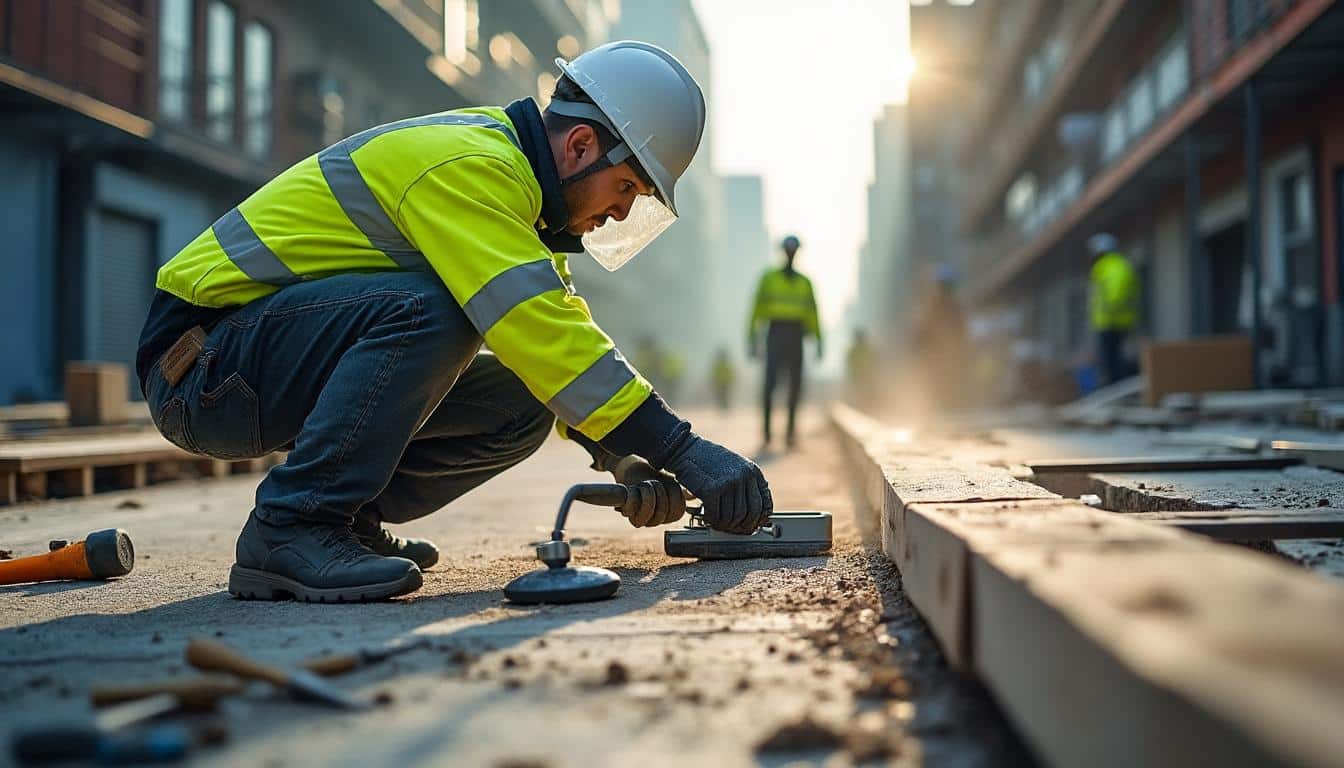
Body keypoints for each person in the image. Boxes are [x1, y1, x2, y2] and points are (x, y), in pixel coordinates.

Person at [136, 41, 772, 603]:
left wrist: (624, 458)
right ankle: (295, 524)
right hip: (202, 367)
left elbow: (554, 350)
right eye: (627, 188)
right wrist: (685, 451)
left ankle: (344, 518)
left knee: (524, 399)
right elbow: (540, 330)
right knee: (435, 310)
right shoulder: (470, 169)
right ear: (580, 146)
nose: (618, 213)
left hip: (254, 358)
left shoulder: (521, 204)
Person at [748, 235, 821, 448]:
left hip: (796, 335)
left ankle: (790, 431)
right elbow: (756, 310)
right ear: (783, 252)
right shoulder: (768, 279)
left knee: (795, 385)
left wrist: (819, 340)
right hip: (775, 333)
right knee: (770, 384)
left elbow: (813, 313)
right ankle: (768, 432)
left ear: (797, 253)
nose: (791, 254)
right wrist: (752, 337)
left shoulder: (805, 283)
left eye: (794, 250)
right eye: (788, 250)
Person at [910, 263, 969, 412]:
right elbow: (923, 329)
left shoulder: (949, 306)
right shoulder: (934, 305)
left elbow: (959, 329)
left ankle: (945, 406)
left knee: (945, 380)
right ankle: (937, 407)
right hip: (935, 354)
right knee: (935, 381)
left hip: (945, 354)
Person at [1087, 233, 1139, 385]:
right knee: (1116, 358)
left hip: (1109, 322)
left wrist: (1109, 311)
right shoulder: (1122, 265)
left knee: (1110, 360)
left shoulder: (1107, 267)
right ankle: (1117, 388)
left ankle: (1115, 390)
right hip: (1122, 321)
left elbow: (1116, 294)